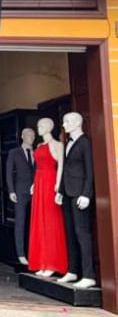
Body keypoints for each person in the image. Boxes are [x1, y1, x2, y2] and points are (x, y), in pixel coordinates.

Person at [57, 112, 97, 288]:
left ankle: (89, 275)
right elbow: (66, 170)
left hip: (79, 194)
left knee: (83, 234)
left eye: (67, 121)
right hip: (67, 194)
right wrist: (61, 191)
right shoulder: (67, 143)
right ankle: (73, 271)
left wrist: (86, 194)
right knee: (70, 233)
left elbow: (90, 170)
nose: (64, 124)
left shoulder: (85, 143)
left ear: (77, 123)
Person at [27, 117, 68, 277]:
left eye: (42, 125)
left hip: (50, 182)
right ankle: (42, 261)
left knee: (50, 221)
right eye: (38, 125)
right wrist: (33, 184)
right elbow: (37, 167)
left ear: (50, 127)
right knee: (39, 221)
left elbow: (61, 167)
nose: (39, 128)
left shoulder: (58, 145)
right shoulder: (39, 146)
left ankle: (52, 262)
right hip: (39, 183)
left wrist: (58, 185)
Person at [5, 128, 36, 265]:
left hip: (36, 191)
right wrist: (11, 191)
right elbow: (9, 172)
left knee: (35, 222)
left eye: (33, 135)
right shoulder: (14, 152)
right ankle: (20, 253)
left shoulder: (37, 152)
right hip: (20, 191)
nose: (31, 137)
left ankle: (35, 252)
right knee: (20, 222)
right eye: (28, 135)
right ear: (22, 136)